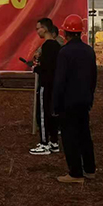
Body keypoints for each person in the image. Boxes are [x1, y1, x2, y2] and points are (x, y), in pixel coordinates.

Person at [53, 14, 97, 183]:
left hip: (68, 102)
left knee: (70, 137)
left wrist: (55, 104)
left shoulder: (64, 52)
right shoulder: (89, 51)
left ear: (65, 33)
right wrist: (90, 97)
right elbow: (93, 78)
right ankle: (90, 169)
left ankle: (75, 173)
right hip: (84, 100)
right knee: (84, 134)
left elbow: (60, 81)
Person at [29, 18, 62, 155]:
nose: (37, 31)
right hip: (54, 85)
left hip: (46, 85)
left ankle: (44, 143)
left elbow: (47, 69)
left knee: (43, 114)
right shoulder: (57, 46)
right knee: (52, 113)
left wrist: (36, 68)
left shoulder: (47, 46)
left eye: (39, 28)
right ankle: (54, 142)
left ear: (46, 29)